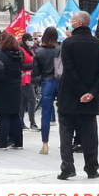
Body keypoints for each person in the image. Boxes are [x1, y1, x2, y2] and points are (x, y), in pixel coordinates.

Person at [57, 11, 99, 180]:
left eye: (72, 21)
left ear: (79, 23)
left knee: (66, 132)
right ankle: (92, 168)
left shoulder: (68, 43)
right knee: (90, 134)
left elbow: (69, 70)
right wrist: (92, 93)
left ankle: (67, 167)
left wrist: (82, 92)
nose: (70, 23)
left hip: (69, 94)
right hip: (91, 98)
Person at [0, 32, 27, 150]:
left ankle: (2, 142)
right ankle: (18, 142)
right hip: (16, 87)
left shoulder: (0, 56)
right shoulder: (19, 55)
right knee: (15, 114)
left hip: (3, 86)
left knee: (4, 115)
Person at [32, 26, 61, 155]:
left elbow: (35, 73)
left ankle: (45, 144)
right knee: (64, 113)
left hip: (46, 82)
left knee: (46, 114)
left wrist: (40, 82)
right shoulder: (59, 50)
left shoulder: (39, 52)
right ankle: (66, 141)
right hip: (59, 81)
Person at [19, 33, 39, 131]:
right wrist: (33, 65)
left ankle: (21, 122)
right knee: (32, 99)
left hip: (30, 78)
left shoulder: (30, 50)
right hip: (24, 79)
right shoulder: (21, 50)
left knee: (23, 101)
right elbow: (21, 65)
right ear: (25, 40)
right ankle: (32, 122)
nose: (31, 41)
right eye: (30, 39)